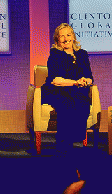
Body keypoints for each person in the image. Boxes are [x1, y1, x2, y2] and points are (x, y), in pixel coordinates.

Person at [41, 23, 93, 153]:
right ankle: (64, 142)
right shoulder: (55, 55)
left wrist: (85, 81)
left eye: (68, 35)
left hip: (78, 90)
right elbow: (56, 80)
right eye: (62, 36)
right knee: (67, 103)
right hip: (57, 91)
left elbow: (90, 77)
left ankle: (74, 139)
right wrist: (76, 82)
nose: (66, 38)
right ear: (57, 39)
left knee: (82, 102)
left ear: (73, 37)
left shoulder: (82, 54)